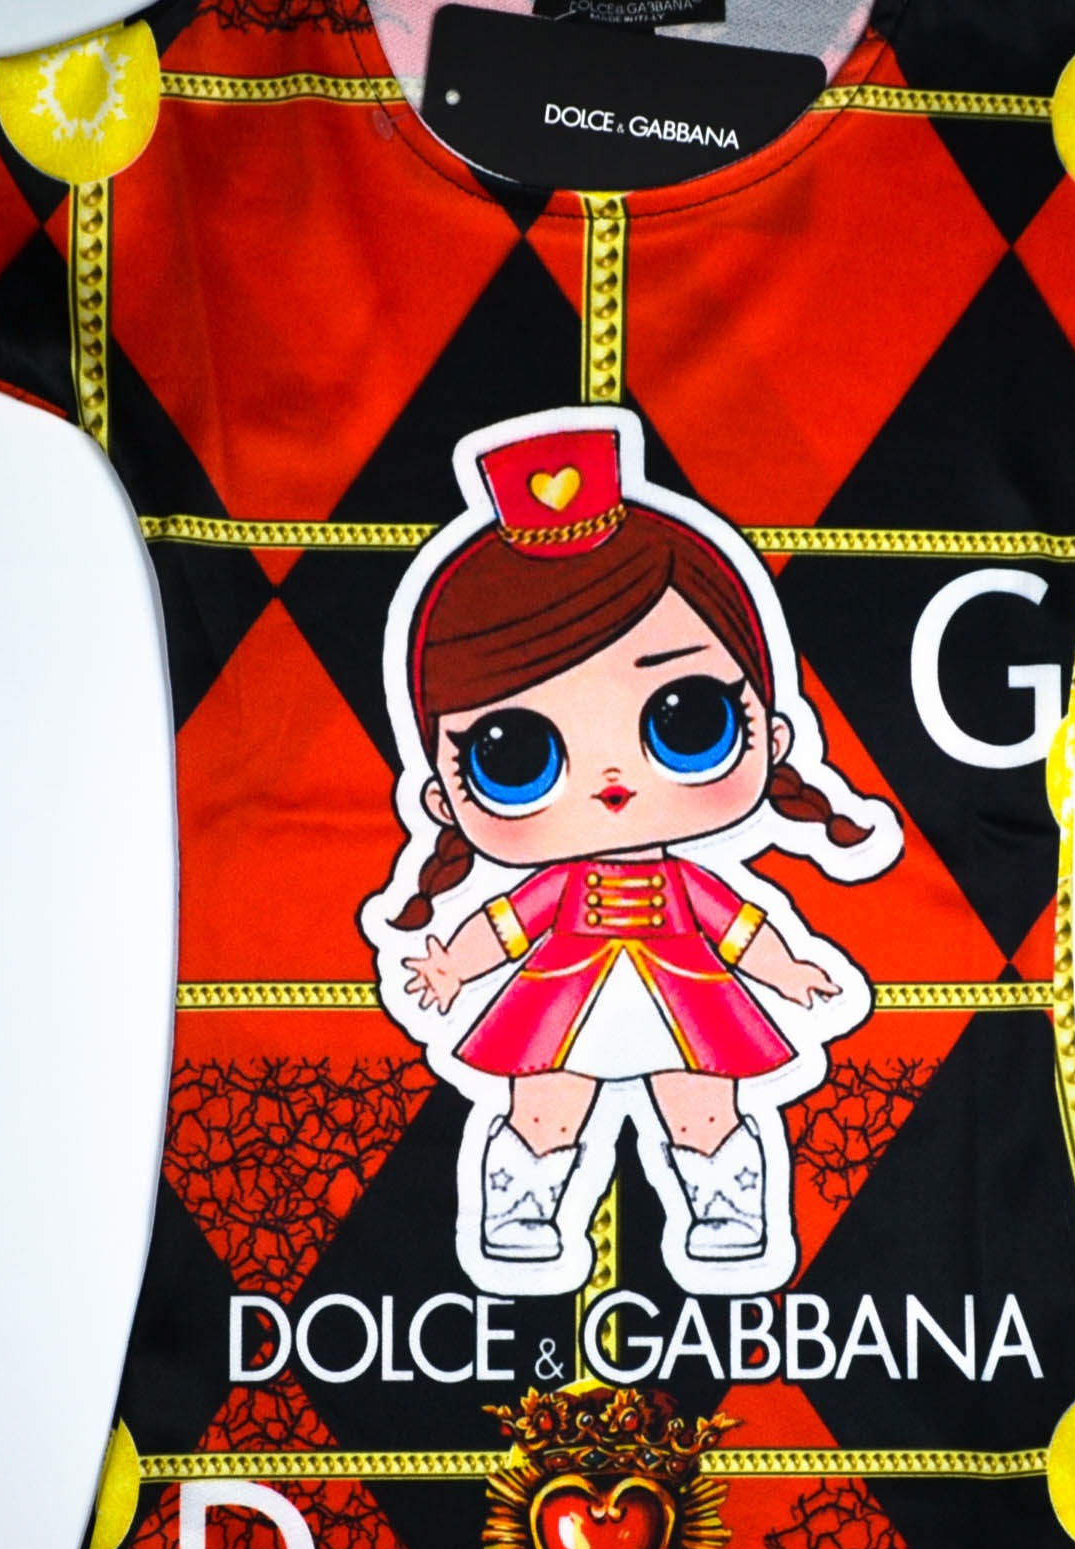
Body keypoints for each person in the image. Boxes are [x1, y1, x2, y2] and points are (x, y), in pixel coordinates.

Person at [364, 409, 901, 1290]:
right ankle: (521, 1208)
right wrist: (454, 968)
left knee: (703, 1103)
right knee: (545, 1103)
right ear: (443, 795)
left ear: (768, 734)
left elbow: (738, 928)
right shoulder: (554, 887)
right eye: (515, 756)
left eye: (688, 723)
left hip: (689, 995)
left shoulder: (689, 883)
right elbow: (506, 925)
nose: (612, 782)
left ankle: (726, 1210)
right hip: (562, 995)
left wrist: (790, 971)